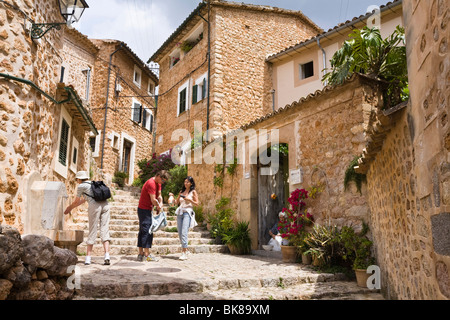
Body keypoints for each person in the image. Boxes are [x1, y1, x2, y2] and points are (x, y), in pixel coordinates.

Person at [64, 171, 111, 265]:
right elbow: (84, 199)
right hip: (105, 205)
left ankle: (88, 258)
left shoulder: (81, 186)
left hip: (95, 206)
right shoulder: (92, 184)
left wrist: (69, 208)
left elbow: (76, 201)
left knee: (92, 229)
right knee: (104, 229)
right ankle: (107, 255)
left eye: (77, 179)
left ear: (79, 179)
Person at [137, 170, 169, 262]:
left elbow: (159, 195)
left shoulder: (158, 183)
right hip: (143, 209)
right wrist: (158, 205)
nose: (162, 183)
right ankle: (146, 254)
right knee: (147, 230)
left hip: (148, 209)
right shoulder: (151, 183)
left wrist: (161, 203)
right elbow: (153, 200)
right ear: (158, 176)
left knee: (144, 230)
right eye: (162, 180)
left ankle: (141, 254)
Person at [175, 176, 198, 260]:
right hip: (180, 212)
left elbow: (197, 203)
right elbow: (176, 202)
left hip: (187, 213)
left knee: (184, 232)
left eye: (187, 182)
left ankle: (184, 252)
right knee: (180, 233)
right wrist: (173, 197)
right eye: (185, 182)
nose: (185, 183)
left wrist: (190, 200)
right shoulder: (181, 191)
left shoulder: (193, 192)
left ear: (191, 183)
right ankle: (186, 249)